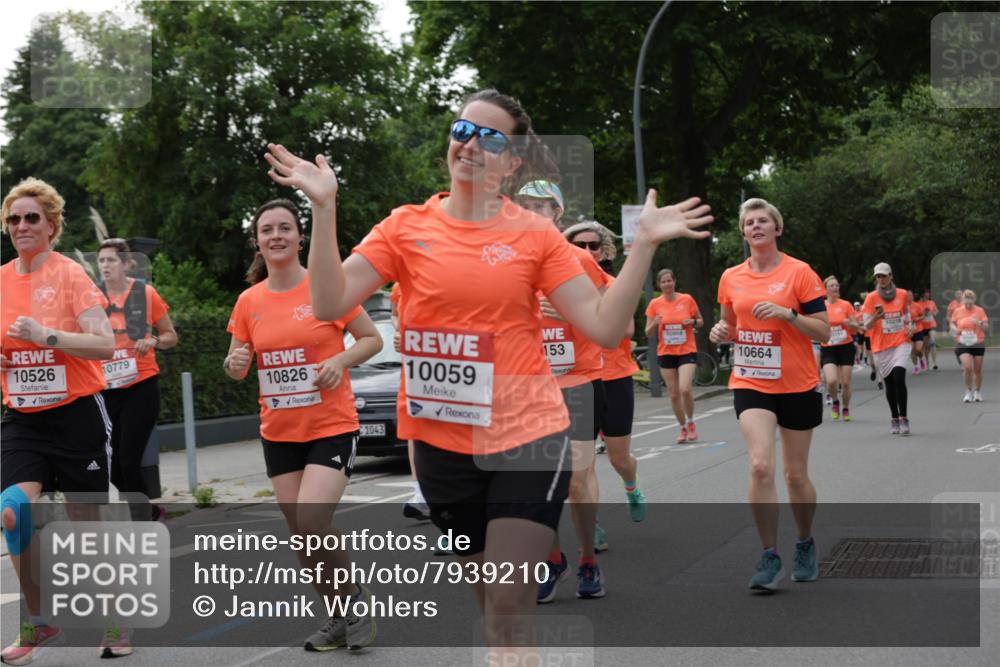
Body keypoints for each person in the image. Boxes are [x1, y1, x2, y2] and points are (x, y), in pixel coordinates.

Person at [264, 88, 712, 651]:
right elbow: (330, 304)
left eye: (491, 138)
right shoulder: (405, 227)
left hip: (528, 436)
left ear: (512, 162)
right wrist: (323, 209)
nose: (472, 145)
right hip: (440, 444)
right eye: (463, 131)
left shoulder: (534, 234)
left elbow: (602, 326)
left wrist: (643, 244)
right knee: (490, 607)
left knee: (506, 605)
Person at [223, 199, 383, 651]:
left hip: (331, 425)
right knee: (302, 534)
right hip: (279, 433)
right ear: (257, 241)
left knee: (313, 519)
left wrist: (339, 359)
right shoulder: (248, 301)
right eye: (267, 229)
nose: (276, 235)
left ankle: (353, 600)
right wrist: (234, 362)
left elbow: (372, 338)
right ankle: (336, 614)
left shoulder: (326, 289)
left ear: (299, 237)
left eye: (285, 228)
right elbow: (237, 364)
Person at [1, 177, 115, 664]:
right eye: (14, 219)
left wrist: (48, 336)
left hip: (76, 416)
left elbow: (105, 344)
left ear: (51, 225)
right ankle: (40, 619)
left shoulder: (70, 275)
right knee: (12, 513)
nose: (22, 225)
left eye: (32, 217)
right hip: (22, 418)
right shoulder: (2, 278)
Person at [709, 198, 829, 592]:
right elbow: (729, 324)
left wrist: (788, 315)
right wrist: (720, 333)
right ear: (743, 233)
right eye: (749, 222)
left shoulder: (800, 273)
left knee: (795, 475)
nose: (756, 226)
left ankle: (805, 542)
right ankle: (768, 554)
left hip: (796, 383)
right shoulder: (730, 277)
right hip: (751, 380)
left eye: (764, 221)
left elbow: (824, 331)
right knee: (761, 465)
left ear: (777, 229)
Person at [516, 184, 610, 601]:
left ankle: (588, 558)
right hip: (528, 384)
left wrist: (574, 310)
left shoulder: (579, 260)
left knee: (577, 480)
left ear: (558, 211)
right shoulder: (508, 259)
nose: (535, 213)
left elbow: (608, 318)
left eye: (543, 207)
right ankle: (552, 558)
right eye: (527, 207)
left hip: (577, 380)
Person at [96, 238, 177, 524]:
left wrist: (152, 339)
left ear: (127, 263)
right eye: (101, 260)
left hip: (141, 385)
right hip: (106, 390)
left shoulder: (145, 293)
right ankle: (150, 510)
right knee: (112, 466)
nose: (105, 266)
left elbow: (170, 335)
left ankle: (142, 520)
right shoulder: (92, 298)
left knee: (129, 459)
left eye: (111, 260)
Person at [645, 269, 703, 443]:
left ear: (674, 282)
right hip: (666, 352)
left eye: (669, 281)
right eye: (663, 282)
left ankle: (691, 422)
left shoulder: (686, 299)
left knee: (685, 388)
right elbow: (648, 333)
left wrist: (692, 322)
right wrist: (654, 323)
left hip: (686, 350)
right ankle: (683, 427)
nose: (667, 284)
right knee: (674, 394)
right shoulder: (655, 304)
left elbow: (700, 321)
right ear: (659, 285)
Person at [862, 263, 915, 435]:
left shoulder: (902, 294)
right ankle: (894, 417)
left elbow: (907, 314)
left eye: (884, 276)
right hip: (880, 345)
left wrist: (910, 326)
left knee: (899, 376)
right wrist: (876, 318)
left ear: (891, 276)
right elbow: (865, 325)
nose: (881, 279)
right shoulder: (871, 298)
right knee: (890, 384)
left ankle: (904, 417)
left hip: (901, 341)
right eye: (878, 276)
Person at [820, 276, 859, 421]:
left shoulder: (846, 305)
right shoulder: (821, 306)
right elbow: (818, 325)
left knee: (846, 382)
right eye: (832, 286)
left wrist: (849, 323)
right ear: (826, 289)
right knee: (831, 381)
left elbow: (855, 328)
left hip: (845, 347)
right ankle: (835, 401)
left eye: (837, 285)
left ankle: (846, 408)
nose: (835, 288)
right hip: (828, 347)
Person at [950, 289, 988, 403]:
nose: (968, 305)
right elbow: (952, 323)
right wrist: (955, 329)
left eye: (970, 303)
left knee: (978, 369)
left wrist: (980, 323)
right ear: (963, 300)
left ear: (974, 300)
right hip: (963, 342)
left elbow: (986, 327)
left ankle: (977, 392)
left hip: (978, 343)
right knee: (967, 367)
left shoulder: (980, 311)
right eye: (966, 303)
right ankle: (968, 392)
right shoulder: (957, 311)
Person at [917, 288, 939, 370]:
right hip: (922, 327)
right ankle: (927, 362)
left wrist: (933, 313)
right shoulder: (918, 304)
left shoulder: (932, 302)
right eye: (926, 293)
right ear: (922, 294)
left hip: (931, 325)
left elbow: (936, 311)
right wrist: (924, 314)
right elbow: (917, 315)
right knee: (926, 347)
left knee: (932, 342)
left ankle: (935, 363)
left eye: (928, 293)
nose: (928, 295)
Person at [908, 291, 927, 375]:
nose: (909, 297)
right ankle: (916, 367)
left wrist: (917, 319)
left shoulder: (917, 305)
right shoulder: (902, 307)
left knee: (918, 349)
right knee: (911, 350)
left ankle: (922, 358)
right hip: (908, 331)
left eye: (910, 295)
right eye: (907, 295)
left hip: (918, 330)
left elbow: (923, 316)